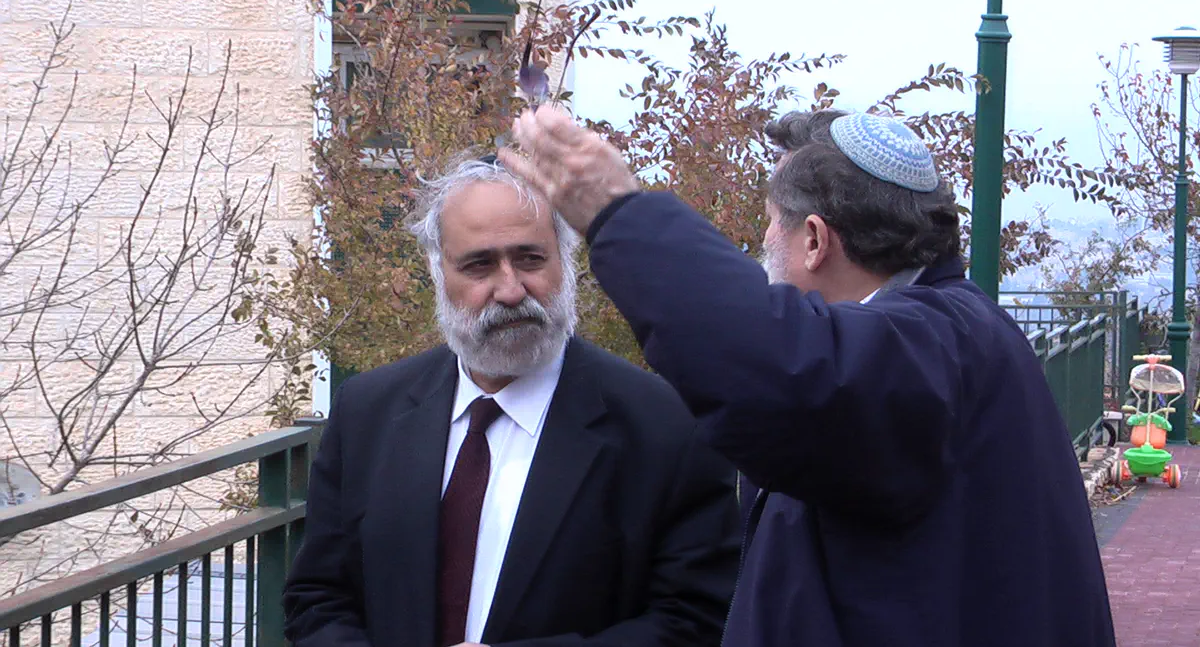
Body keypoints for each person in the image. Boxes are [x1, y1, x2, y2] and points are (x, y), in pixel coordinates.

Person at [500, 108, 1117, 647]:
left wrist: (619, 214)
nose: (763, 239)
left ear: (815, 239)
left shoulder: (930, 349)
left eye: (772, 221)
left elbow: (777, 365)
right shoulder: (956, 333)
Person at [282, 154, 741, 647]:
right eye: (479, 264)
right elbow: (317, 598)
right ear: (438, 274)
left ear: (565, 262)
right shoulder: (368, 411)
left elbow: (696, 620)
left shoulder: (664, 425)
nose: (510, 290)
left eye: (530, 259)